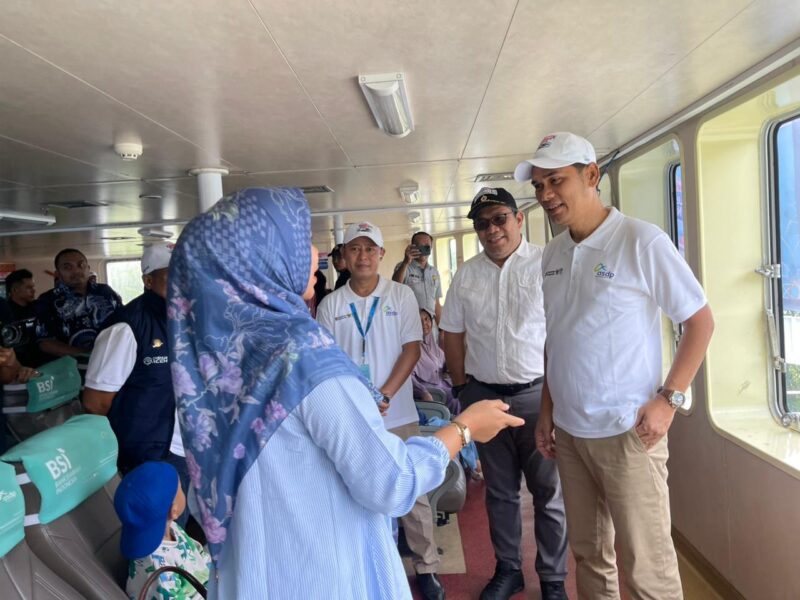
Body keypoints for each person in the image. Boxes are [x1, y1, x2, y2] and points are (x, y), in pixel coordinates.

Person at [168, 187, 523, 600]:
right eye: (300, 239)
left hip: (248, 574)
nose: (317, 250)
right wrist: (463, 430)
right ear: (265, 259)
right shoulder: (301, 355)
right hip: (320, 574)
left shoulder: (216, 361)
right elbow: (389, 482)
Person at [518, 131, 715, 599]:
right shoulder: (553, 254)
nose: (546, 195)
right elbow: (558, 339)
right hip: (570, 433)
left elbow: (701, 322)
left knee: (646, 567)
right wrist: (547, 410)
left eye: (556, 182)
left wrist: (669, 399)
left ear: (591, 176)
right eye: (539, 186)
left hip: (628, 432)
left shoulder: (639, 240)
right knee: (589, 557)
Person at [440, 187, 569, 600]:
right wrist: (462, 387)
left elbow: (562, 331)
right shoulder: (467, 274)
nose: (491, 229)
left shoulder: (548, 263)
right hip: (483, 397)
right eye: (482, 223)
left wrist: (557, 392)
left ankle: (552, 580)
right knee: (499, 491)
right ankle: (508, 570)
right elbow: (452, 334)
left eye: (499, 219)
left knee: (548, 493)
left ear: (517, 218)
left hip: (538, 396)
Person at [317, 221, 444, 600]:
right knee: (353, 493)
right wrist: (358, 399)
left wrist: (384, 393)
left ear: (382, 255)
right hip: (350, 418)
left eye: (370, 249)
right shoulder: (331, 305)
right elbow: (325, 361)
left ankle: (427, 567)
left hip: (399, 412)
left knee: (413, 493)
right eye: (355, 249)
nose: (363, 256)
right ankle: (367, 564)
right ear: (343, 257)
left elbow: (412, 348)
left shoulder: (401, 296)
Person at [82, 243, 188, 520]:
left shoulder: (186, 321)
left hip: (186, 449)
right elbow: (95, 404)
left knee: (183, 535)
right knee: (158, 540)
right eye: (171, 276)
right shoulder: (126, 327)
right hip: (151, 455)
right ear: (148, 280)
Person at [114, 461, 210, 600]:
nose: (183, 491)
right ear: (174, 510)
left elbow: (197, 555)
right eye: (181, 489)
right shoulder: (158, 571)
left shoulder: (172, 528)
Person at [35, 248, 122, 360]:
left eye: (81, 265)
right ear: (58, 274)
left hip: (112, 360)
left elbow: (124, 323)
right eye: (67, 267)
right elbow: (45, 342)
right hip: (71, 370)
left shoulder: (105, 292)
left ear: (88, 268)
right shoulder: (47, 300)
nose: (76, 271)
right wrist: (87, 355)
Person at [412, 308, 460, 415]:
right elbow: (408, 378)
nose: (424, 323)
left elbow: (443, 368)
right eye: (419, 321)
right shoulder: (412, 349)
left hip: (442, 385)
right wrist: (422, 391)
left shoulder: (434, 347)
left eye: (426, 319)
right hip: (429, 390)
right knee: (455, 397)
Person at [0, 269, 47, 367]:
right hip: (16, 368)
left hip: (44, 365)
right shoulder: (4, 313)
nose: (34, 290)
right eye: (29, 287)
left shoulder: (39, 308)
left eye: (33, 287)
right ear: (15, 290)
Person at [393, 231, 442, 324]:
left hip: (431, 327)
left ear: (431, 248)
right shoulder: (403, 267)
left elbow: (436, 303)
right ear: (412, 247)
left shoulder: (434, 271)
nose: (423, 249)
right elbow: (395, 285)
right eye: (420, 246)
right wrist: (406, 262)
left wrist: (441, 329)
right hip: (410, 323)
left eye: (427, 246)